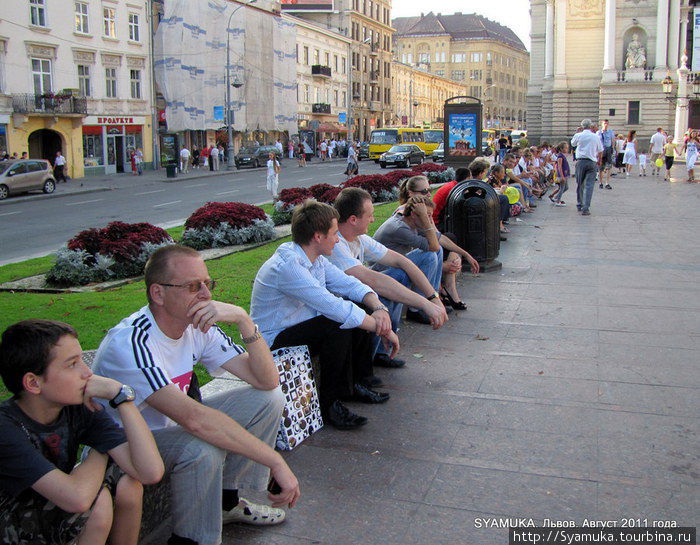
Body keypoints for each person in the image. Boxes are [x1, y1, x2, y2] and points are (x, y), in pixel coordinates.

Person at [93, 245, 300, 545]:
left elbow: (267, 380)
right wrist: (276, 462)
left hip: (167, 432)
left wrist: (244, 320)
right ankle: (190, 540)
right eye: (192, 286)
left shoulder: (197, 326)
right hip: (125, 449)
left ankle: (226, 501)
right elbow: (194, 420)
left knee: (269, 399)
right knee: (200, 447)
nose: (205, 294)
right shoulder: (132, 343)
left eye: (207, 283)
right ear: (158, 294)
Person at [0, 319, 164, 545]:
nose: (87, 372)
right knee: (97, 500)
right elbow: (76, 499)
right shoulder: (6, 427)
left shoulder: (77, 408)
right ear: (33, 382)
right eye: (72, 364)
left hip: (46, 508)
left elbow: (150, 472)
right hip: (11, 526)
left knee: (128, 481)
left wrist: (122, 398)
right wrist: (101, 449)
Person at [250, 200, 400, 430]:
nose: (338, 239)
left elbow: (349, 284)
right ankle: (329, 404)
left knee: (358, 307)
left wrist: (378, 307)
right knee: (336, 322)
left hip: (301, 328)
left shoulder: (315, 258)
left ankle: (357, 383)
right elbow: (332, 306)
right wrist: (384, 329)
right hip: (273, 341)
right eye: (333, 233)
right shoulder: (288, 266)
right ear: (318, 237)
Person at [331, 188, 448, 368]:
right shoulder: (336, 244)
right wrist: (424, 303)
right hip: (337, 308)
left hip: (360, 294)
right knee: (387, 290)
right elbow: (374, 280)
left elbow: (403, 261)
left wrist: (433, 298)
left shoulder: (359, 237)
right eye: (370, 215)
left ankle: (382, 350)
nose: (373, 219)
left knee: (419, 262)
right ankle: (373, 357)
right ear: (353, 220)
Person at [570, 119, 603, 216]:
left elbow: (573, 143)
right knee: (589, 186)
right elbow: (600, 150)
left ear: (582, 126)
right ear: (591, 126)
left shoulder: (579, 135)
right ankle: (586, 207)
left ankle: (580, 203)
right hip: (592, 162)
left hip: (580, 161)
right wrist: (599, 160)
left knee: (580, 184)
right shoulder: (595, 136)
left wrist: (577, 132)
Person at [548, 141, 571, 206]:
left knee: (566, 187)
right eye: (566, 148)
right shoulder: (560, 156)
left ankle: (556, 197)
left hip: (565, 174)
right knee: (562, 188)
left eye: (567, 148)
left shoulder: (563, 155)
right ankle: (558, 201)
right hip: (562, 174)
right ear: (561, 149)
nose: (567, 149)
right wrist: (561, 176)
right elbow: (559, 166)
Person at [597, 119, 615, 190]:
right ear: (602, 124)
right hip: (601, 150)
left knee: (609, 167)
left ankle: (607, 183)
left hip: (608, 149)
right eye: (604, 123)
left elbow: (612, 141)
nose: (606, 125)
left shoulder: (610, 132)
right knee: (601, 167)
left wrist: (612, 149)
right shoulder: (598, 132)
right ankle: (600, 182)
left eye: (607, 123)